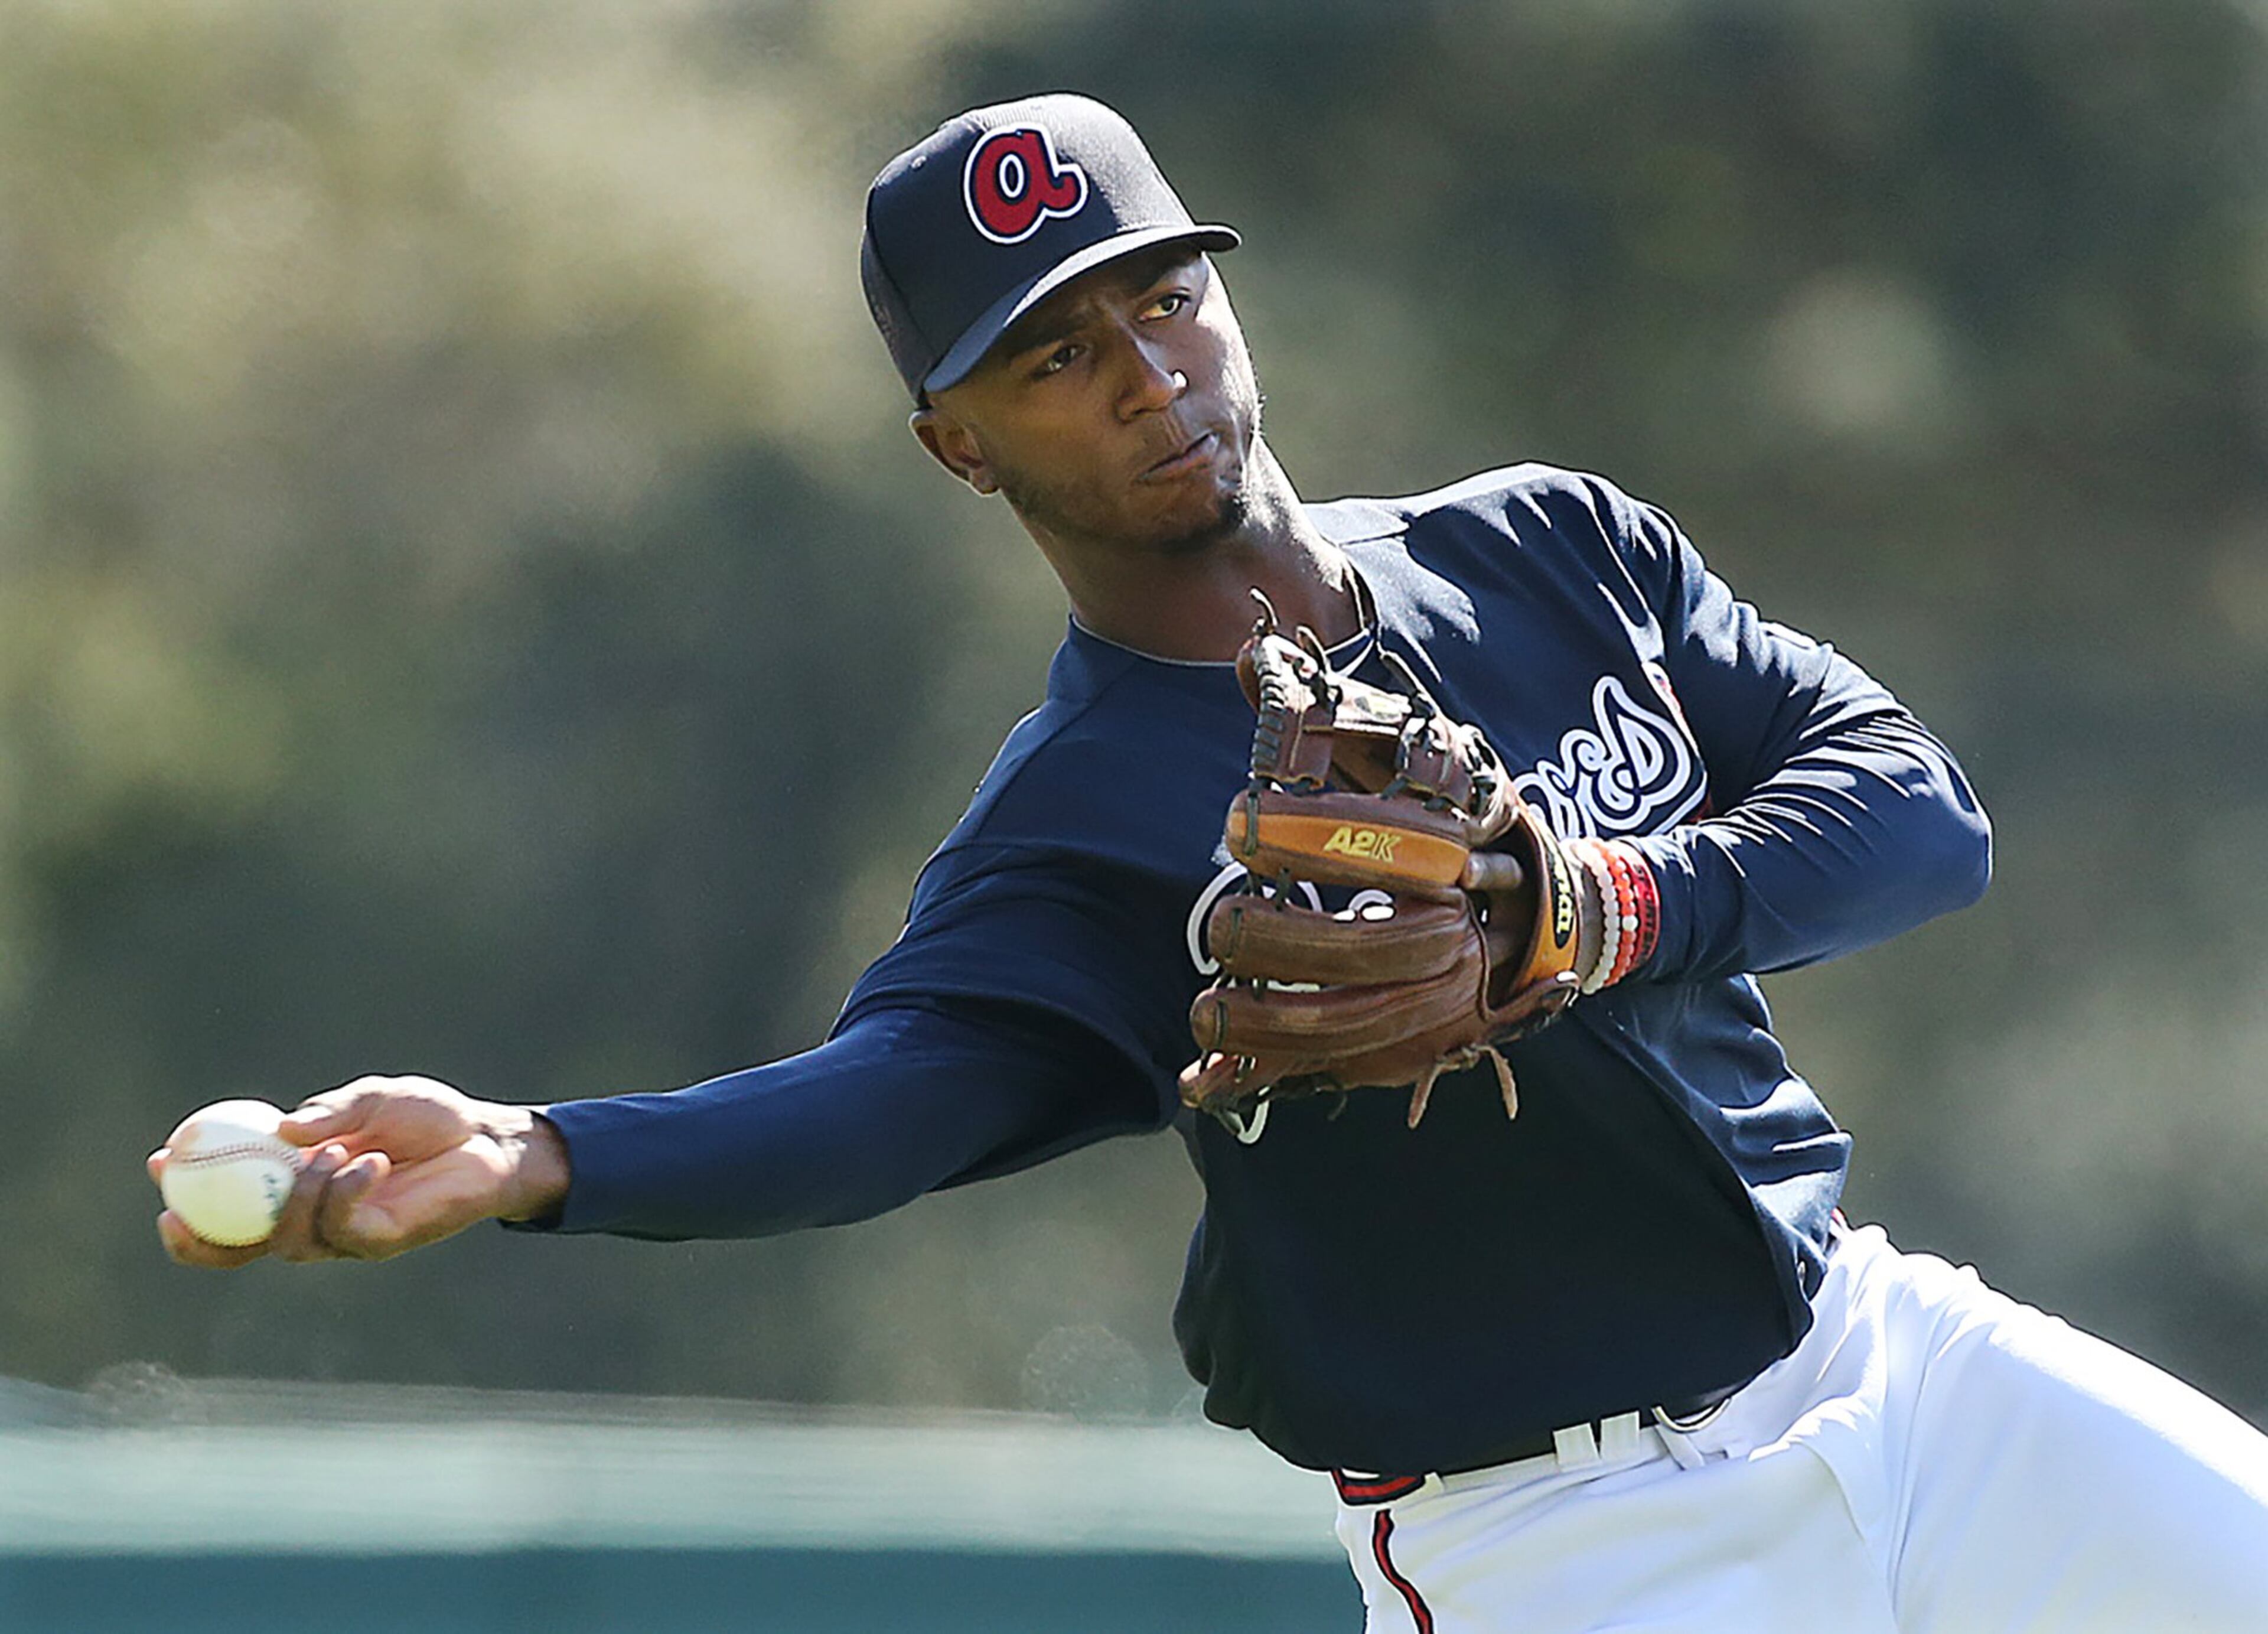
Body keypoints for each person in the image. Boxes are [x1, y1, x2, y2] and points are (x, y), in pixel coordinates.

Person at [151, 93, 2268, 1629]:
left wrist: (1602, 907)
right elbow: (875, 1111)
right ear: (958, 443)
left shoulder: (1542, 548)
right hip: (1571, 1551)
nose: (1149, 374)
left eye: (1160, 297)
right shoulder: (1073, 830)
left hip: (1887, 1368)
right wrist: (533, 1151)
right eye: (1056, 357)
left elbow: (1915, 807)